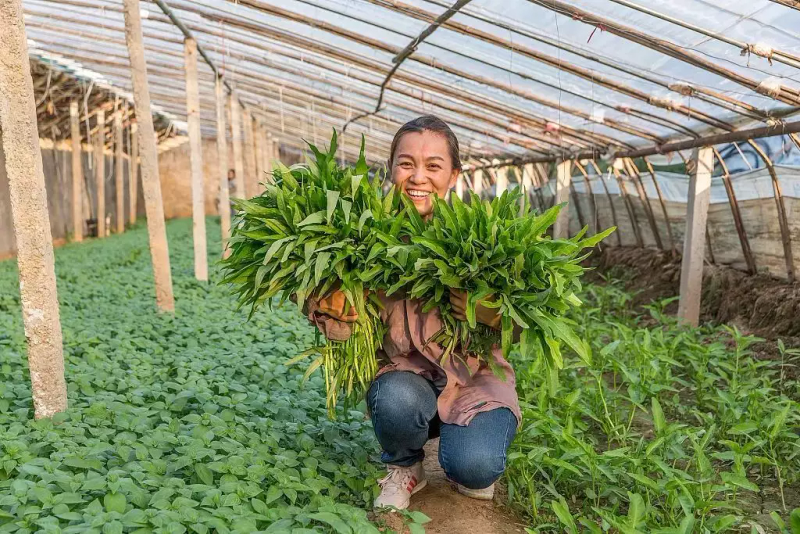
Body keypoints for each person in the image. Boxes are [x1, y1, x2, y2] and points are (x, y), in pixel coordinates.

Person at [306, 115, 520, 510]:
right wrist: (331, 309)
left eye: (433, 166)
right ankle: (405, 465)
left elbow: (526, 317)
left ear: (454, 175)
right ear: (391, 169)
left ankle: (466, 453)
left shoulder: (484, 236)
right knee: (397, 398)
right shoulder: (363, 235)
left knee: (475, 468)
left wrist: (495, 314)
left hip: (475, 382)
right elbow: (328, 312)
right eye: (406, 164)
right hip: (405, 381)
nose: (418, 177)